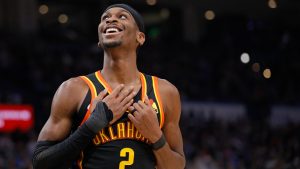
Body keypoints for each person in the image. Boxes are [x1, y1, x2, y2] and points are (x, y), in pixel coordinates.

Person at [32, 3, 185, 169]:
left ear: (140, 37)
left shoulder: (165, 92)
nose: (111, 19)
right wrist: (91, 126)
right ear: (99, 39)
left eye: (122, 16)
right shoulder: (73, 89)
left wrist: (156, 136)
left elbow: (178, 165)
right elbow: (41, 162)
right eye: (105, 18)